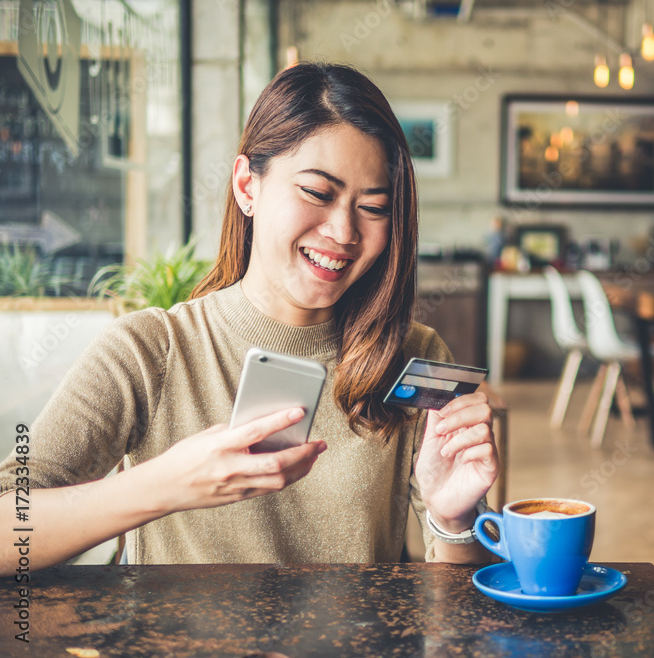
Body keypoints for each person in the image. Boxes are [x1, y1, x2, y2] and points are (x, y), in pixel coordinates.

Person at [0, 63, 498, 573]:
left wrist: (453, 518)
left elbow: (458, 608)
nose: (344, 231)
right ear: (246, 186)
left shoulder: (414, 357)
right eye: (317, 193)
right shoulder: (150, 349)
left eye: (372, 207)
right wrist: (162, 487)